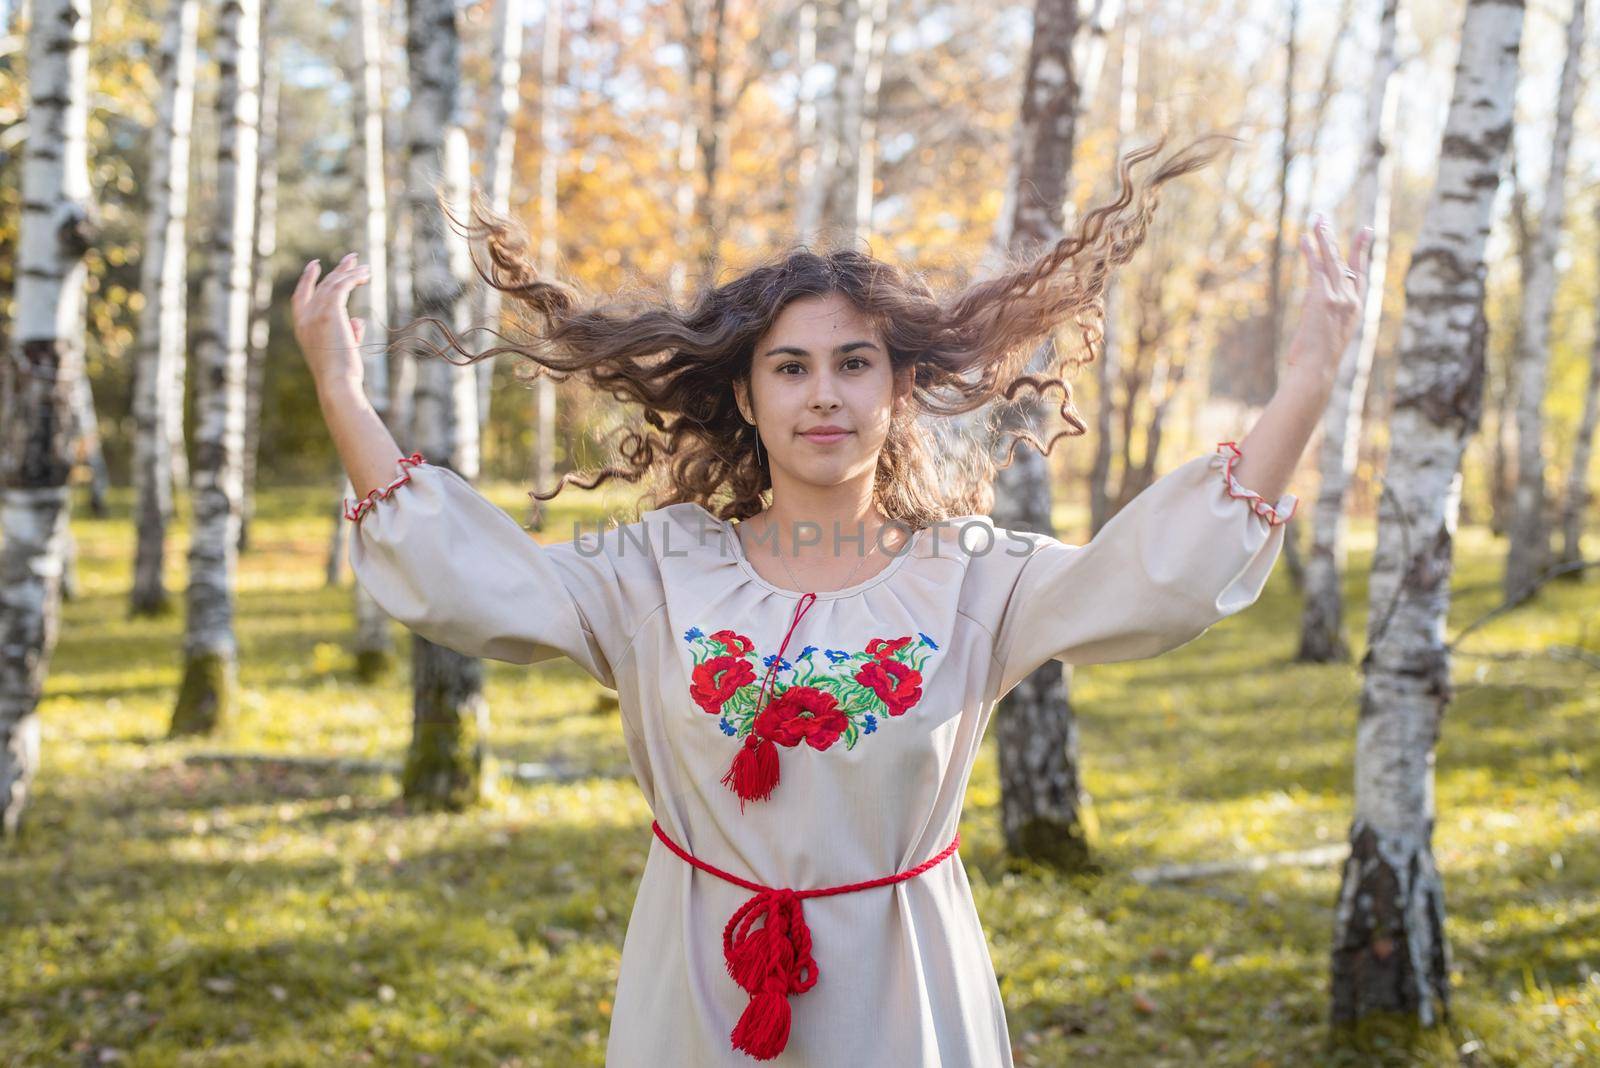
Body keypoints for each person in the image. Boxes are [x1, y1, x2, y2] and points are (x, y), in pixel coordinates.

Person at [293, 132, 1372, 1066]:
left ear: (898, 391)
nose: (823, 395)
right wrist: (343, 391)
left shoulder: (972, 574)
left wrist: (1304, 389)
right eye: (790, 367)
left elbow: (1153, 577)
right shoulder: (657, 570)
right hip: (696, 997)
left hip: (900, 1000)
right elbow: (473, 583)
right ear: (746, 395)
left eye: (854, 364)